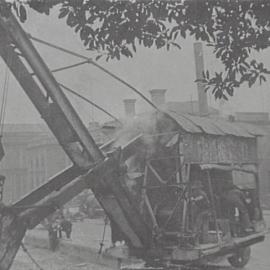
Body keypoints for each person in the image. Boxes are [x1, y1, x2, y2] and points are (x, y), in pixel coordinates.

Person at [190, 180, 210, 245]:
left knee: (200, 226)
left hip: (205, 211)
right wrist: (192, 199)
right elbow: (191, 198)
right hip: (200, 211)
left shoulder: (202, 193)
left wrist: (194, 199)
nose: (196, 190)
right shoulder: (194, 193)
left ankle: (200, 241)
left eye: (197, 188)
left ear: (199, 188)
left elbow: (200, 198)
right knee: (201, 226)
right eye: (195, 189)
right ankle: (201, 241)